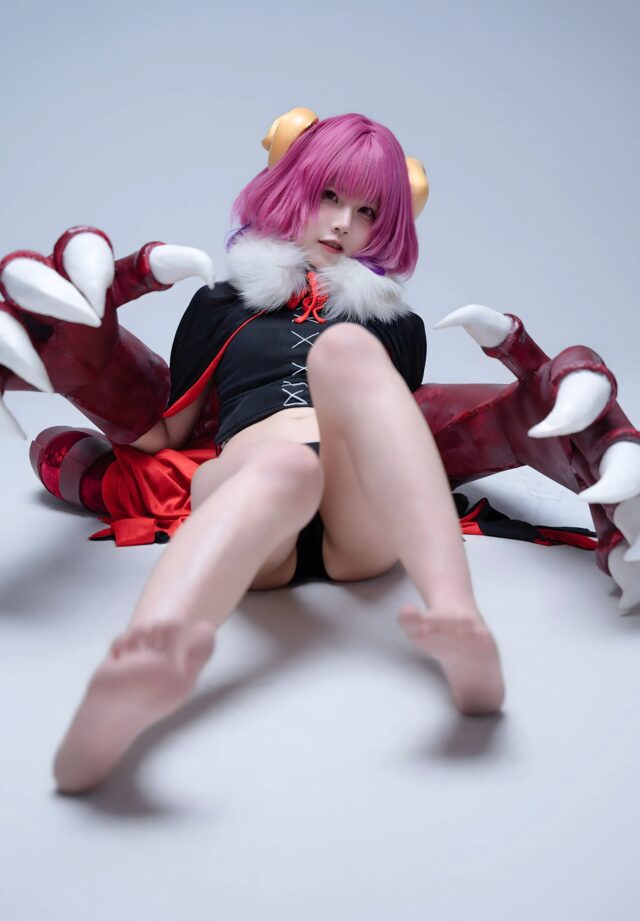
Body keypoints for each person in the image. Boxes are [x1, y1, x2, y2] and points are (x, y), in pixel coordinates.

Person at [52, 110, 505, 794]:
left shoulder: (397, 325)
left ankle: (460, 622)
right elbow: (167, 432)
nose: (342, 224)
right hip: (254, 498)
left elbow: (395, 437)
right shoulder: (219, 304)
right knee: (286, 467)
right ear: (293, 188)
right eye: (329, 195)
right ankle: (145, 661)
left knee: (347, 348)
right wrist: (85, 357)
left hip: (358, 520)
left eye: (367, 211)